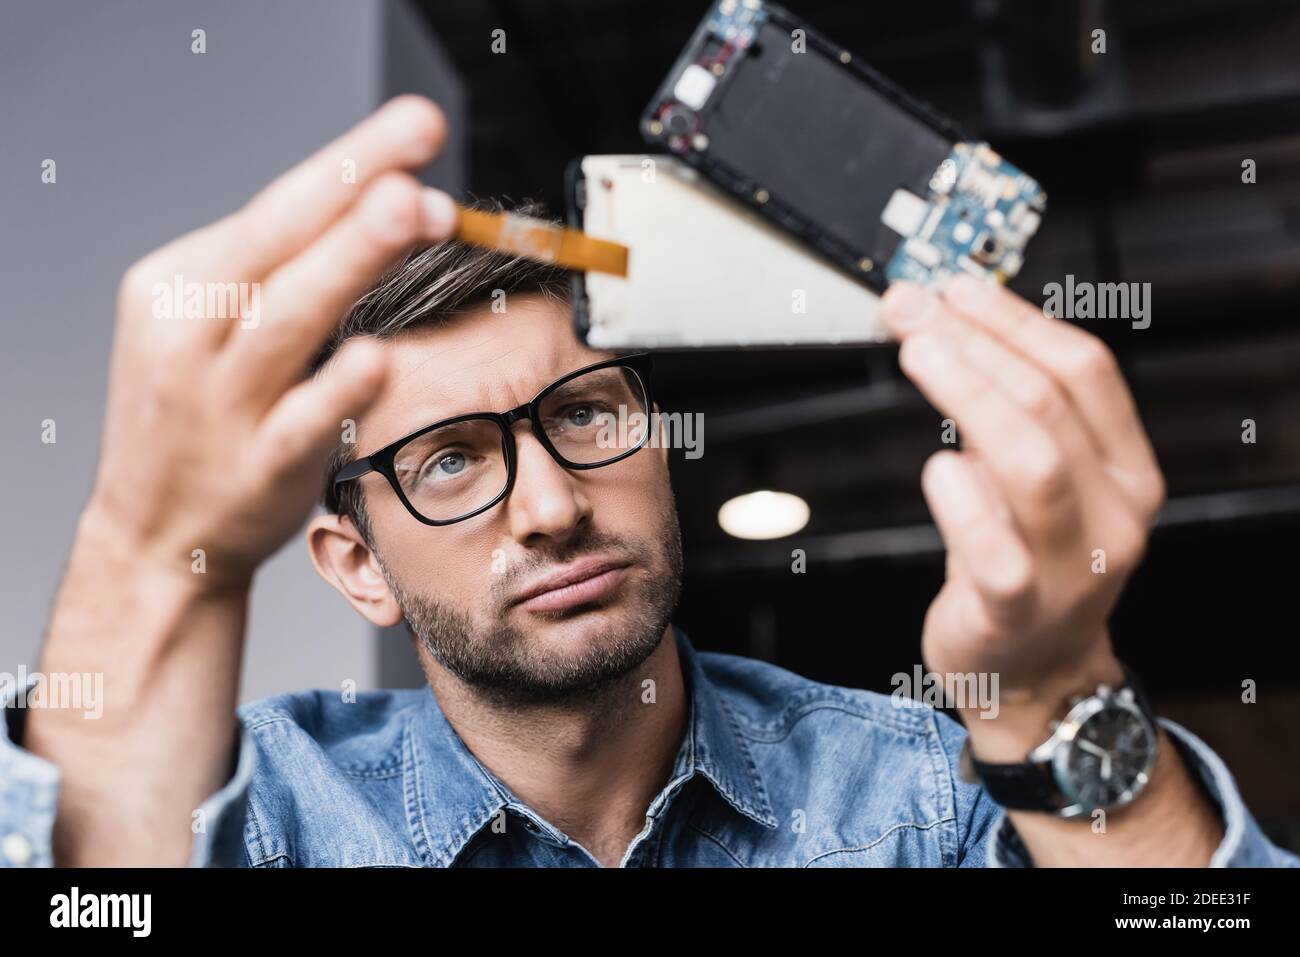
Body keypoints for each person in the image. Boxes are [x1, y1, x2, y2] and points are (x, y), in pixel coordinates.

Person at [3, 96, 1295, 868]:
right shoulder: (271, 817)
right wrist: (143, 545)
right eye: (450, 458)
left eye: (586, 414)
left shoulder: (925, 801)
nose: (554, 502)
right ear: (354, 562)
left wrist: (1053, 691)